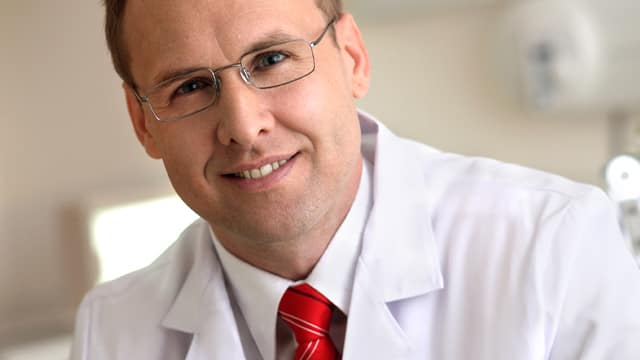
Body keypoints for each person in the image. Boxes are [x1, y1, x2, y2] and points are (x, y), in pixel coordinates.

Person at [70, 0, 640, 358]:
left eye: (271, 59)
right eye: (190, 86)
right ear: (143, 122)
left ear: (353, 57)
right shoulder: (114, 331)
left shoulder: (556, 245)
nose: (243, 128)